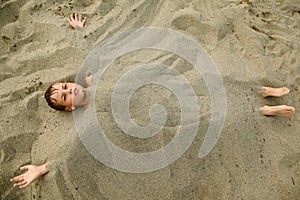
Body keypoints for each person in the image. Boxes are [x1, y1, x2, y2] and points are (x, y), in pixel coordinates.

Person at [10, 13, 88, 189]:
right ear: (70, 108)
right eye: (66, 96)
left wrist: (79, 31)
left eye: (66, 86)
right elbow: (68, 150)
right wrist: (41, 169)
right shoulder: (88, 116)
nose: (70, 90)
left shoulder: (90, 79)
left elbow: (89, 54)